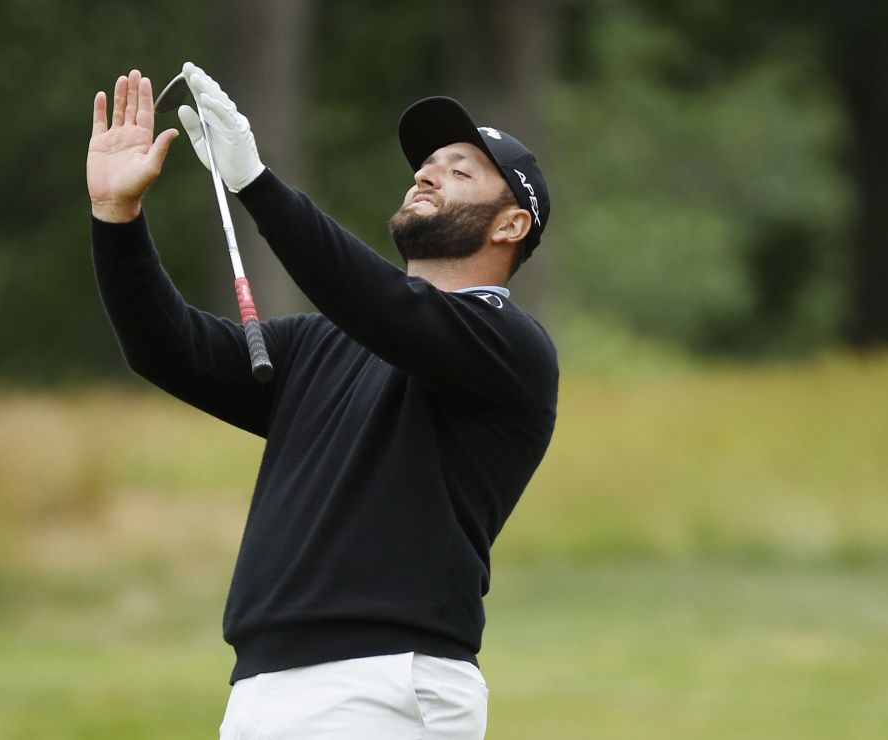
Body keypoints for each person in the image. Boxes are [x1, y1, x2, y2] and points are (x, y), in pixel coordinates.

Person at [86, 64, 557, 740]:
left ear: (512, 224)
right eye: (426, 164)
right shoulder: (324, 342)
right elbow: (168, 349)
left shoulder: (510, 347)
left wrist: (254, 183)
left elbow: (380, 302)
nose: (425, 174)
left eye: (459, 171)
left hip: (383, 682)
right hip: (265, 685)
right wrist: (116, 217)